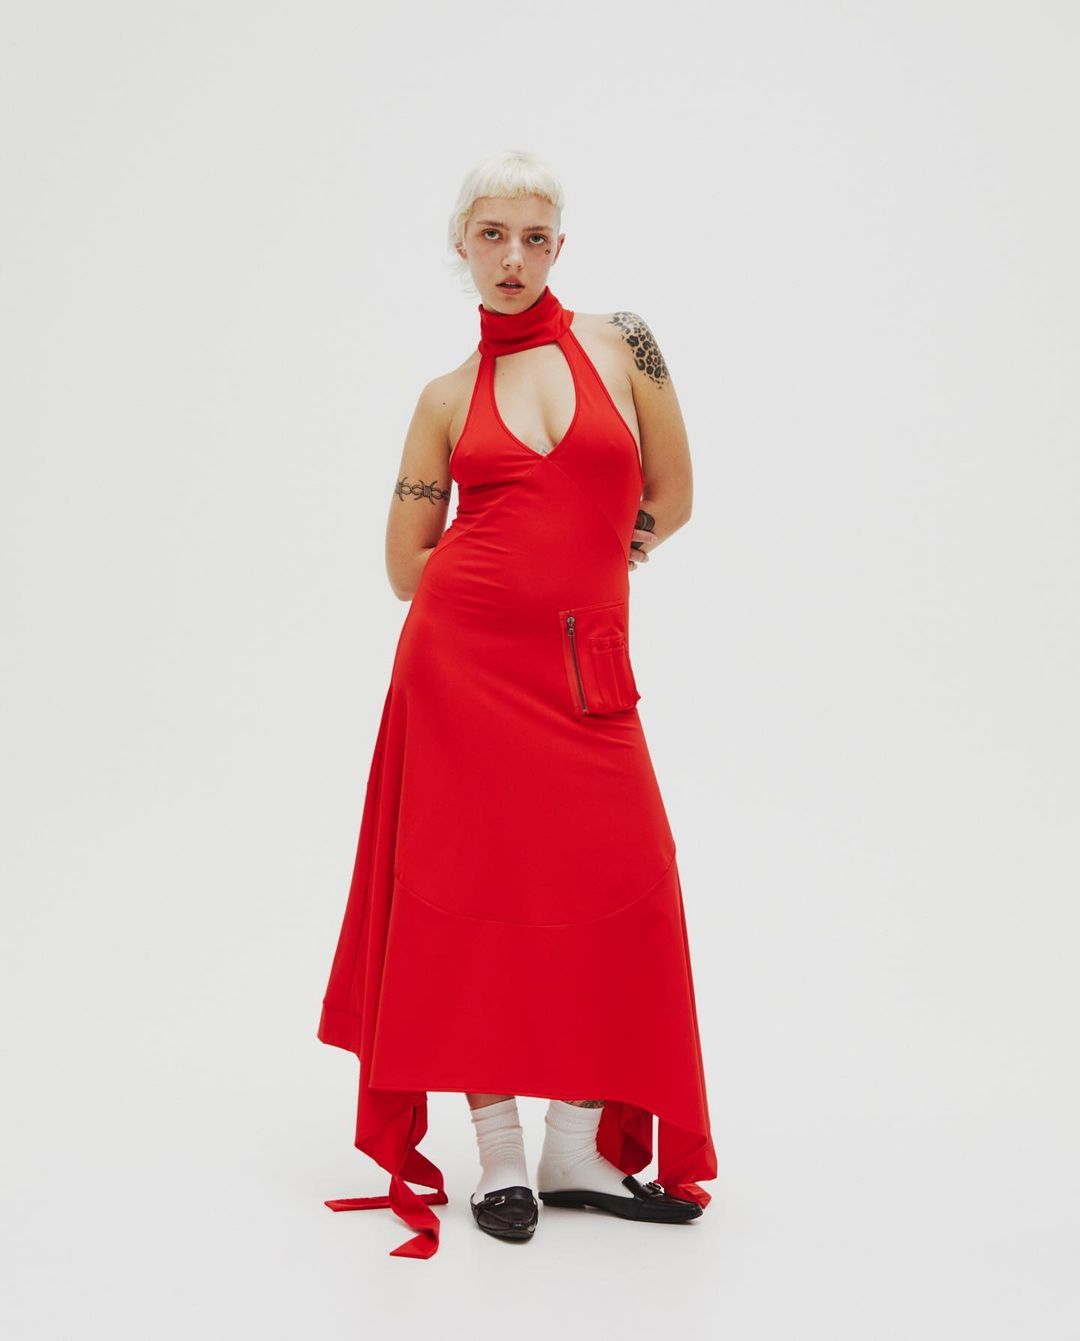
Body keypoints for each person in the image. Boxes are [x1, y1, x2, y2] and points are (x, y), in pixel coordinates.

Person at [317, 148, 717, 1259]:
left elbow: (675, 492)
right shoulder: (444, 399)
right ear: (463, 245)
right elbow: (406, 565)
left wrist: (598, 562)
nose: (513, 256)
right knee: (471, 904)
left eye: (534, 237)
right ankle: (500, 1155)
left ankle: (575, 1148)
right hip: (462, 675)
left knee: (626, 889)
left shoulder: (624, 343)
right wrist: (504, 577)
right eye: (492, 235)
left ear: (559, 246)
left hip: (585, 672)